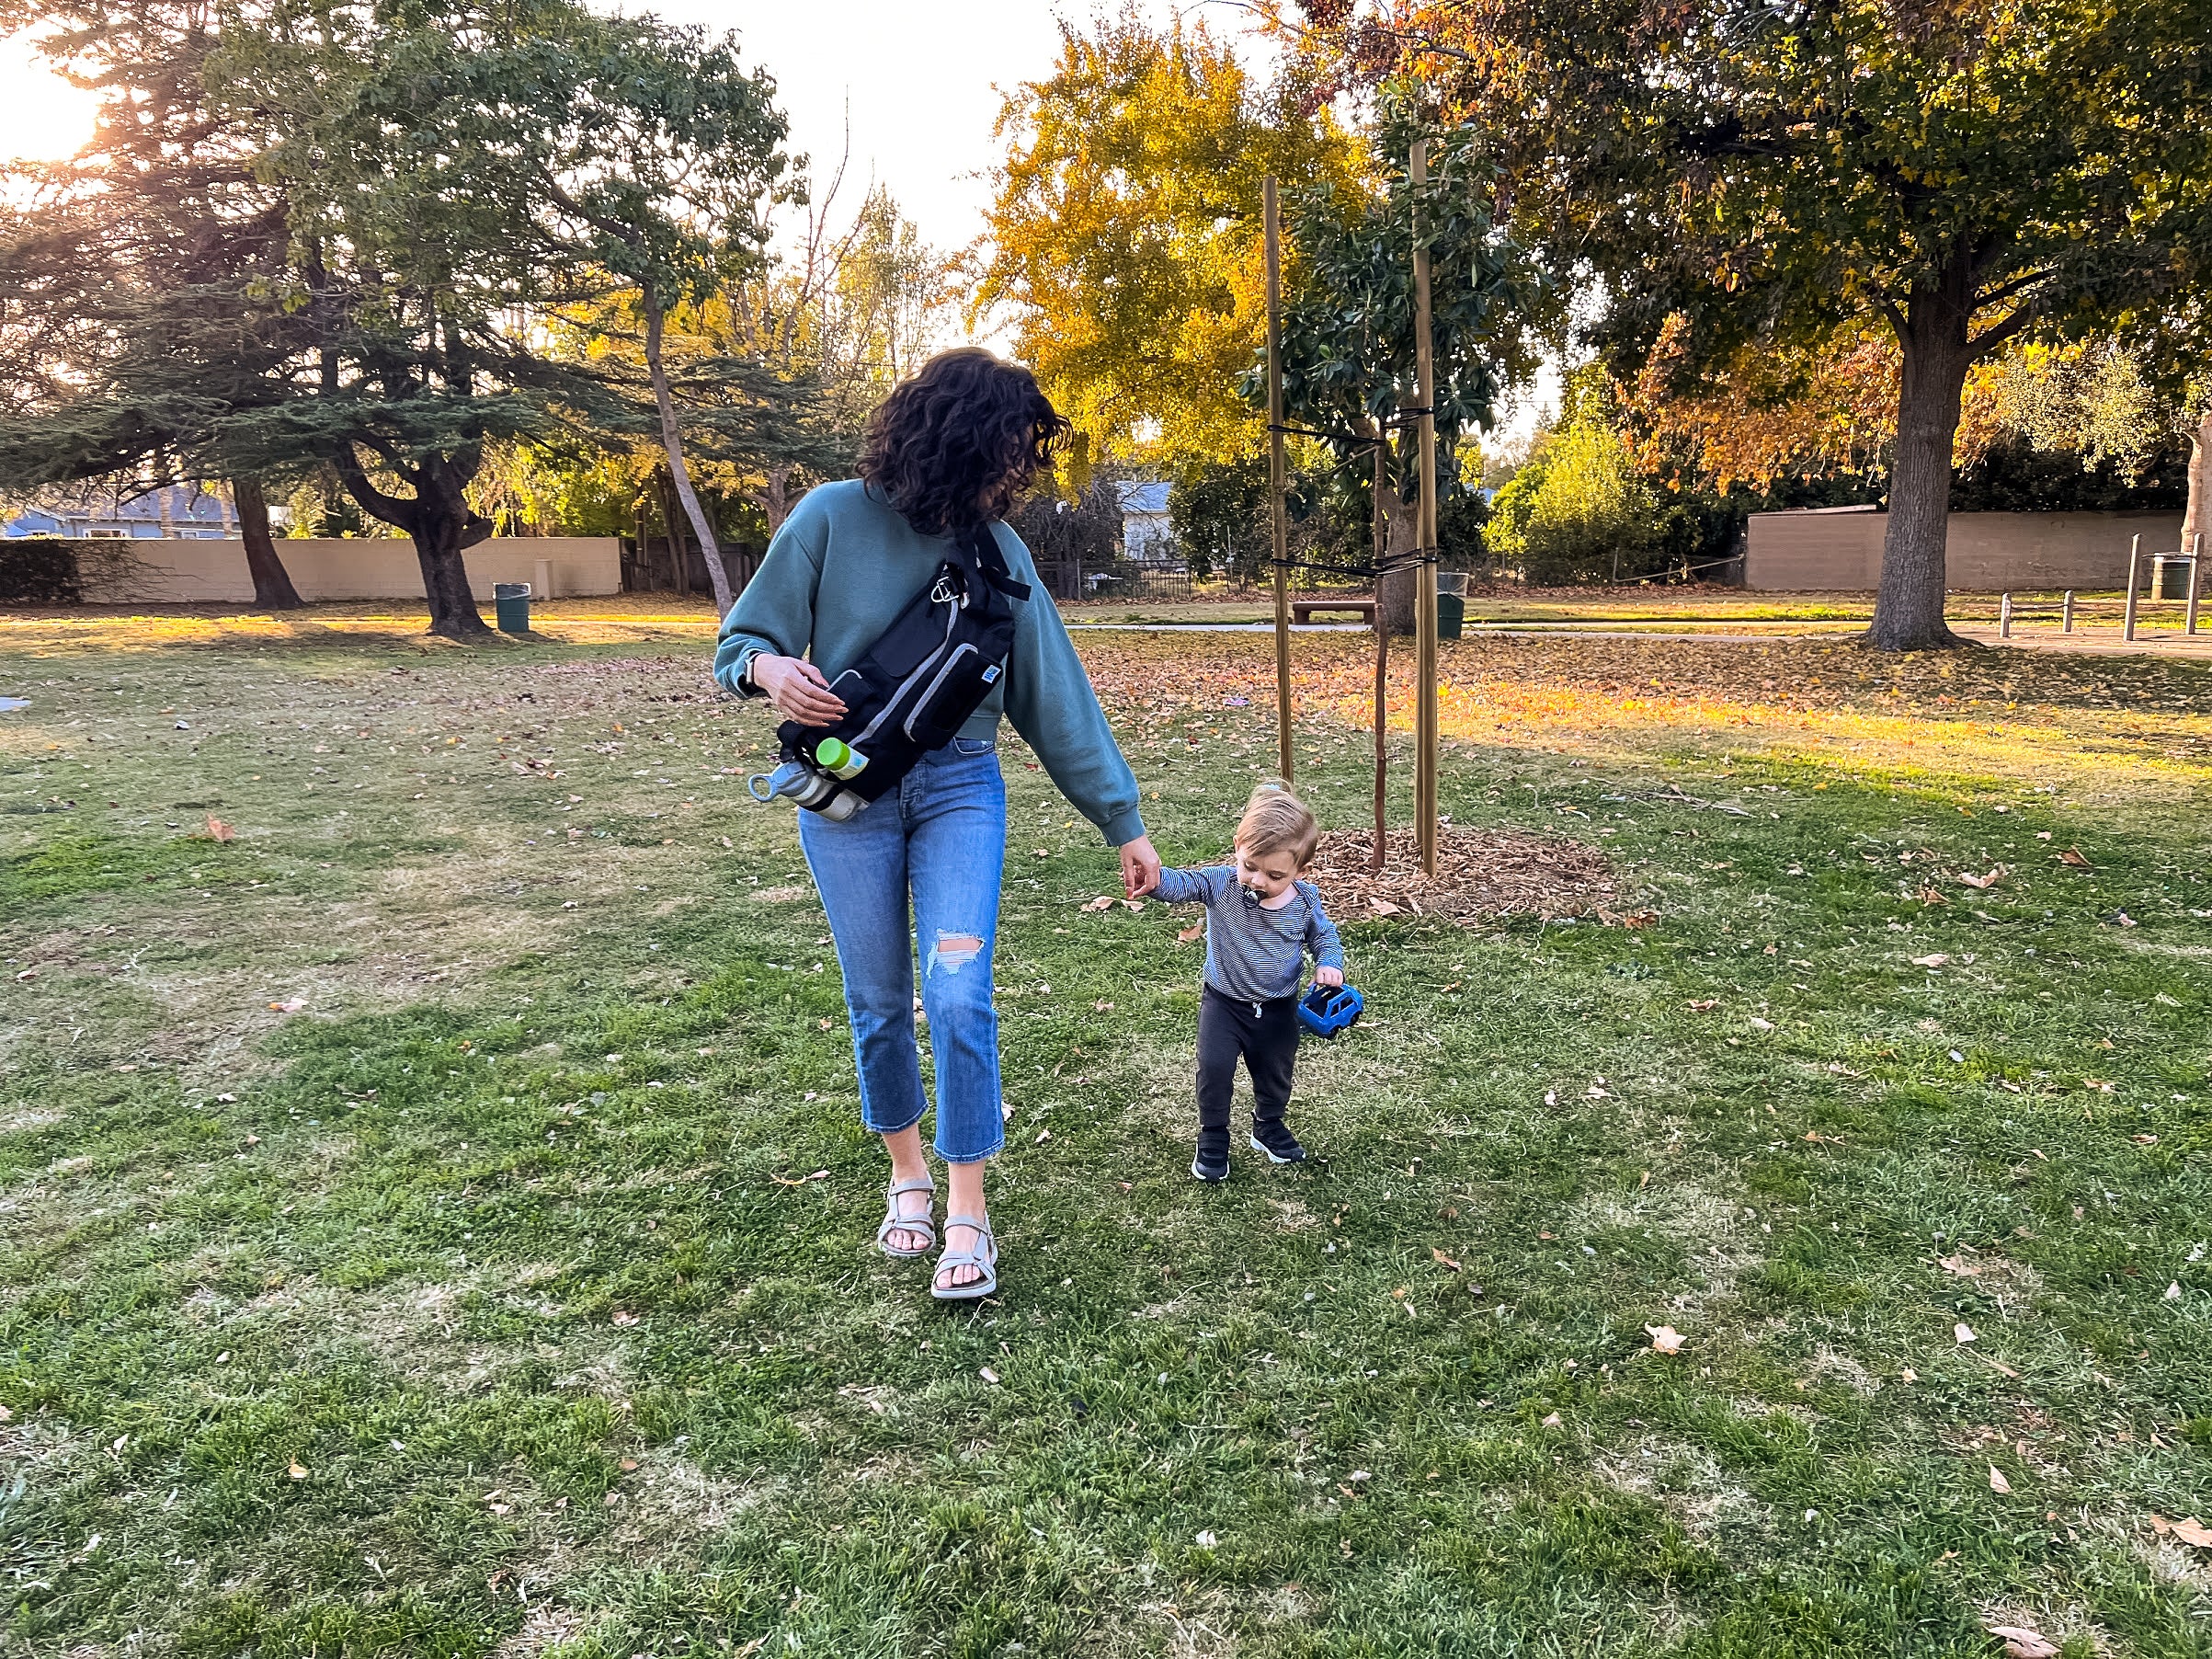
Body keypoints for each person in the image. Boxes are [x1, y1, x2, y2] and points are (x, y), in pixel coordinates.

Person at [713, 348, 1159, 1299]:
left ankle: (969, 1205)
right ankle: (906, 1174)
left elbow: (1056, 699)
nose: (1016, 471)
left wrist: (1122, 821)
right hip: (848, 797)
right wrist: (770, 672)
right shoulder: (831, 516)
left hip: (963, 787)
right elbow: (740, 642)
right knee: (877, 1001)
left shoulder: (1002, 554)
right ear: (952, 438)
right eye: (1005, 449)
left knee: (958, 993)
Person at [1146, 784, 1344, 1182]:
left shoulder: (1305, 901)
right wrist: (1151, 880)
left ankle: (1267, 1127)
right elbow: (1179, 885)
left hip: (1278, 1008)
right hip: (1223, 1003)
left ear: (1299, 871)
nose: (1257, 880)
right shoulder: (1219, 882)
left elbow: (1324, 935)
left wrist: (1329, 963)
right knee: (1215, 1069)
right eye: (1249, 865)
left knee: (1275, 1072)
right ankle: (1213, 1136)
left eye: (1275, 875)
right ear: (1238, 846)